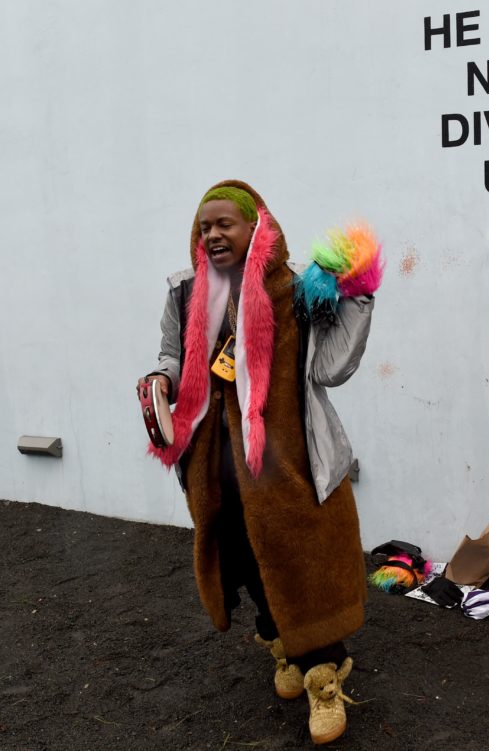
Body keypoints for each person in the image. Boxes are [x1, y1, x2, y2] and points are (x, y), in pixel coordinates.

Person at [136, 180, 376, 744]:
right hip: (214, 462)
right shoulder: (183, 292)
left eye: (224, 224)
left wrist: (359, 295)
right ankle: (281, 648)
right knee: (243, 558)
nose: (212, 234)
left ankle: (323, 680)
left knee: (304, 565)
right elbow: (172, 354)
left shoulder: (293, 290)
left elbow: (331, 368)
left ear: (255, 227)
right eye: (204, 227)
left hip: (287, 462)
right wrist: (162, 380)